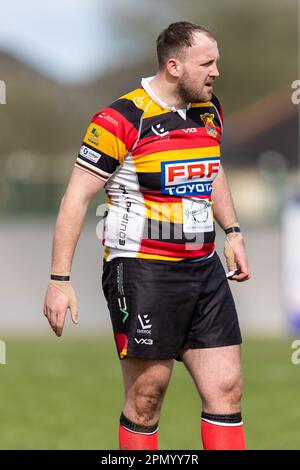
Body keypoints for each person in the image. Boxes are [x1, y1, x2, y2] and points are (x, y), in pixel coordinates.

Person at [43, 21, 250, 450]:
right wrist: (59, 281)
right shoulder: (120, 118)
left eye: (217, 62)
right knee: (147, 395)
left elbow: (212, 170)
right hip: (143, 271)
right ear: (174, 66)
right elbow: (75, 199)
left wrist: (232, 232)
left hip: (203, 268)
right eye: (207, 63)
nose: (216, 72)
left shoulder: (209, 110)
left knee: (227, 388)